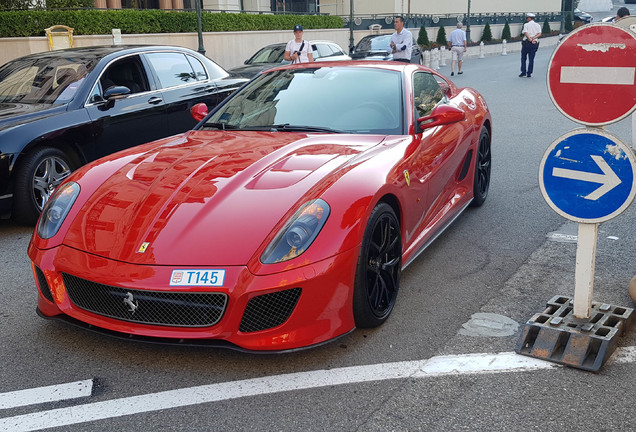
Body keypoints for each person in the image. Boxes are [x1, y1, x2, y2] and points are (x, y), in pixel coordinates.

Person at [519, 12, 542, 78]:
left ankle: (523, 72)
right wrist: (533, 38)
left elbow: (525, 32)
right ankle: (529, 72)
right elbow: (539, 33)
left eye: (527, 18)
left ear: (529, 18)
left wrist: (529, 38)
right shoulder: (537, 25)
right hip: (534, 43)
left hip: (526, 43)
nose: (526, 19)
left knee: (523, 58)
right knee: (531, 59)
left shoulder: (526, 25)